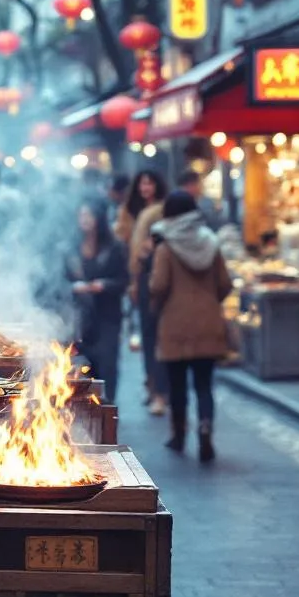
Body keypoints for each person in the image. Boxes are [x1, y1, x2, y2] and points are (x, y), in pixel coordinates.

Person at [149, 190, 232, 462]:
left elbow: (158, 284)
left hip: (175, 324)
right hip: (208, 321)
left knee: (177, 385)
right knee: (204, 383)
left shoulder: (165, 247)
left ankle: (179, 434)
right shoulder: (211, 242)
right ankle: (205, 424)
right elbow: (224, 284)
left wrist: (157, 302)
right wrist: (209, 301)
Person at [67, 197, 128, 402]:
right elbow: (59, 281)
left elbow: (124, 280)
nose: (84, 220)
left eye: (89, 215)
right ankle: (82, 409)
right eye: (81, 215)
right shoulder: (70, 247)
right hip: (78, 317)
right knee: (80, 365)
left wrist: (104, 285)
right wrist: (74, 288)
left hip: (107, 316)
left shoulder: (115, 247)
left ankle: (106, 408)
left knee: (107, 364)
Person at [125, 170, 171, 416]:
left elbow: (158, 243)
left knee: (156, 336)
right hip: (142, 278)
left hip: (156, 277)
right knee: (147, 335)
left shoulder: (160, 212)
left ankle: (161, 391)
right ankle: (153, 386)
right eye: (141, 182)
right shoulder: (137, 212)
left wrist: (145, 252)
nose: (145, 187)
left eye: (149, 182)